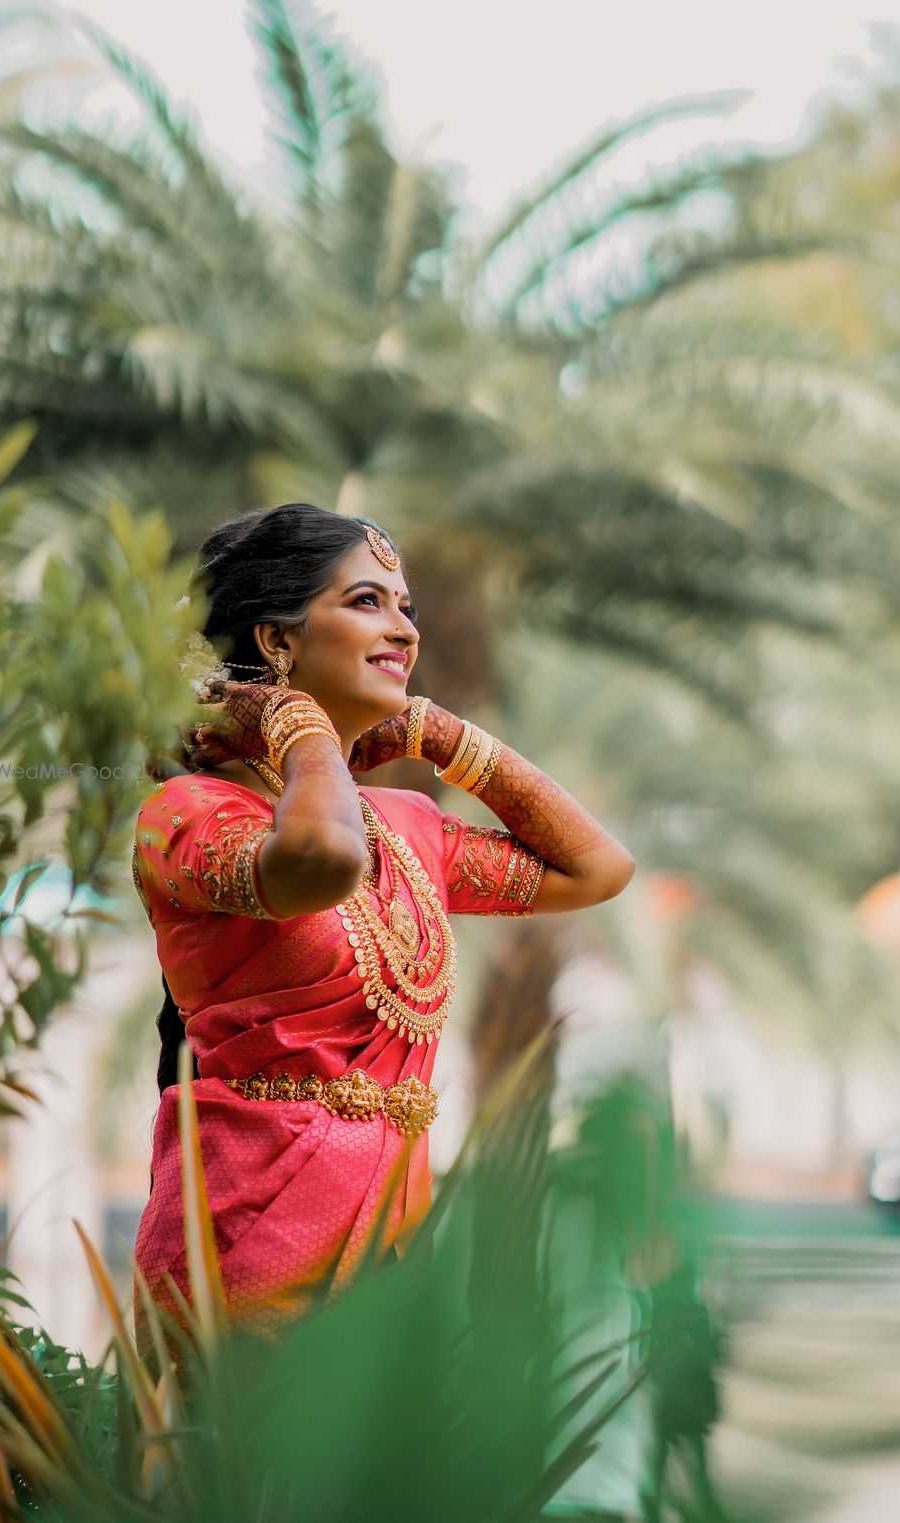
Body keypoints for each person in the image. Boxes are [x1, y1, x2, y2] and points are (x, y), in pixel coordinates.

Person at [130, 502, 636, 1363]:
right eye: (367, 600)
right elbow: (323, 862)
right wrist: (300, 728)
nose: (403, 626)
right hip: (245, 1251)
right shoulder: (187, 813)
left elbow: (597, 868)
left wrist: (440, 735)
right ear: (279, 640)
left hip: (392, 1250)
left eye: (406, 606)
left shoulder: (407, 824)